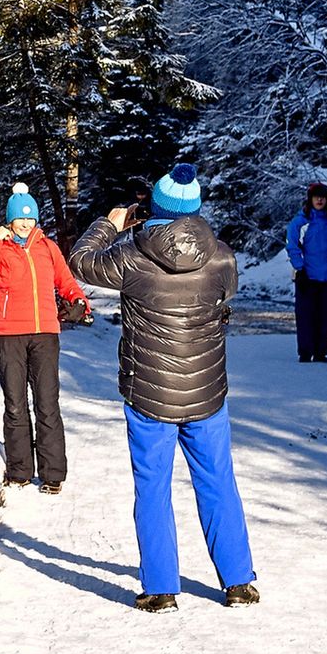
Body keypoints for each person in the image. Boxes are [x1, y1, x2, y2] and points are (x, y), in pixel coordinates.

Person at [69, 163, 258, 613]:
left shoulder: (131, 256)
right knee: (218, 482)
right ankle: (238, 582)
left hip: (149, 393)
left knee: (153, 486)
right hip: (208, 391)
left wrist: (110, 224)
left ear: (153, 208)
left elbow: (79, 262)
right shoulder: (222, 256)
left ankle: (161, 588)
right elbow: (224, 295)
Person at [0, 183, 90, 495]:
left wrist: (79, 301)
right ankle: (20, 470)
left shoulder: (47, 247)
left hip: (45, 334)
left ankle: (52, 474)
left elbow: (65, 280)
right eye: (20, 219)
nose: (26, 224)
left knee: (47, 403)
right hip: (8, 335)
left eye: (31, 219)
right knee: (15, 404)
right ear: (9, 221)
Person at [285, 182, 327, 363]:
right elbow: (292, 246)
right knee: (307, 316)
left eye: (323, 196)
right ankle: (306, 351)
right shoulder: (301, 222)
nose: (320, 200)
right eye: (316, 196)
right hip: (307, 277)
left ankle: (321, 352)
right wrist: (300, 268)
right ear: (310, 199)